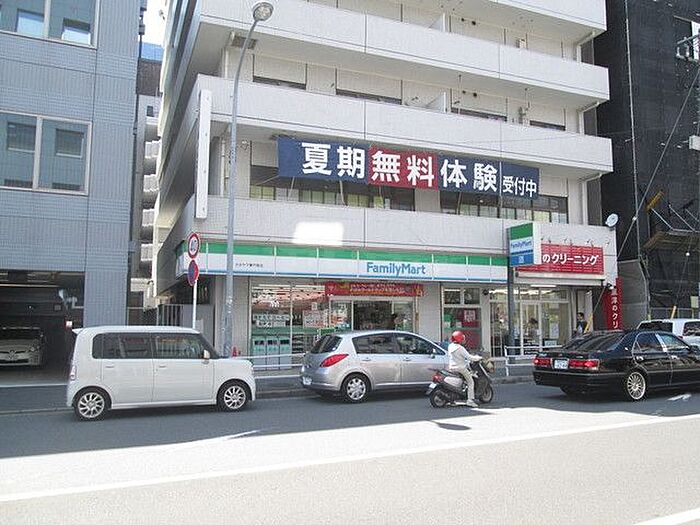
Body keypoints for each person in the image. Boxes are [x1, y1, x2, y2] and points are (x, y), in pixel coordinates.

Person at [447, 330, 482, 408]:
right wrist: (478, 358)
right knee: (471, 382)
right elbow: (469, 357)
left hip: (452, 367)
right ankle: (470, 401)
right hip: (461, 368)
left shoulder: (450, 346)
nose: (463, 340)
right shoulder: (460, 348)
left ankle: (452, 399)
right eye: (462, 338)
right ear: (460, 339)